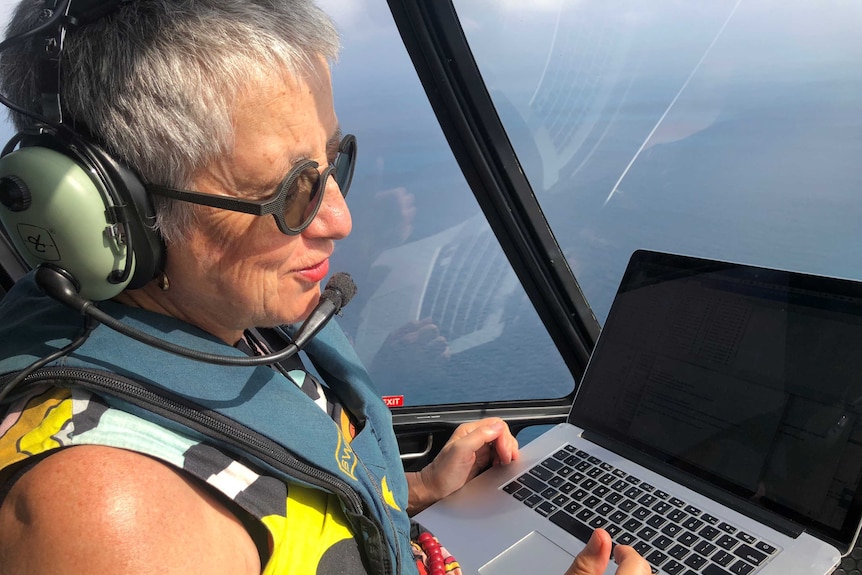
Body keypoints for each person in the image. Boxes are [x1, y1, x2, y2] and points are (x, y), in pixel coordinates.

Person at [0, 1, 649, 574]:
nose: (339, 218)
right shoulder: (114, 519)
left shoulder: (225, 321)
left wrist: (410, 488)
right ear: (113, 213)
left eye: (331, 163)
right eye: (290, 192)